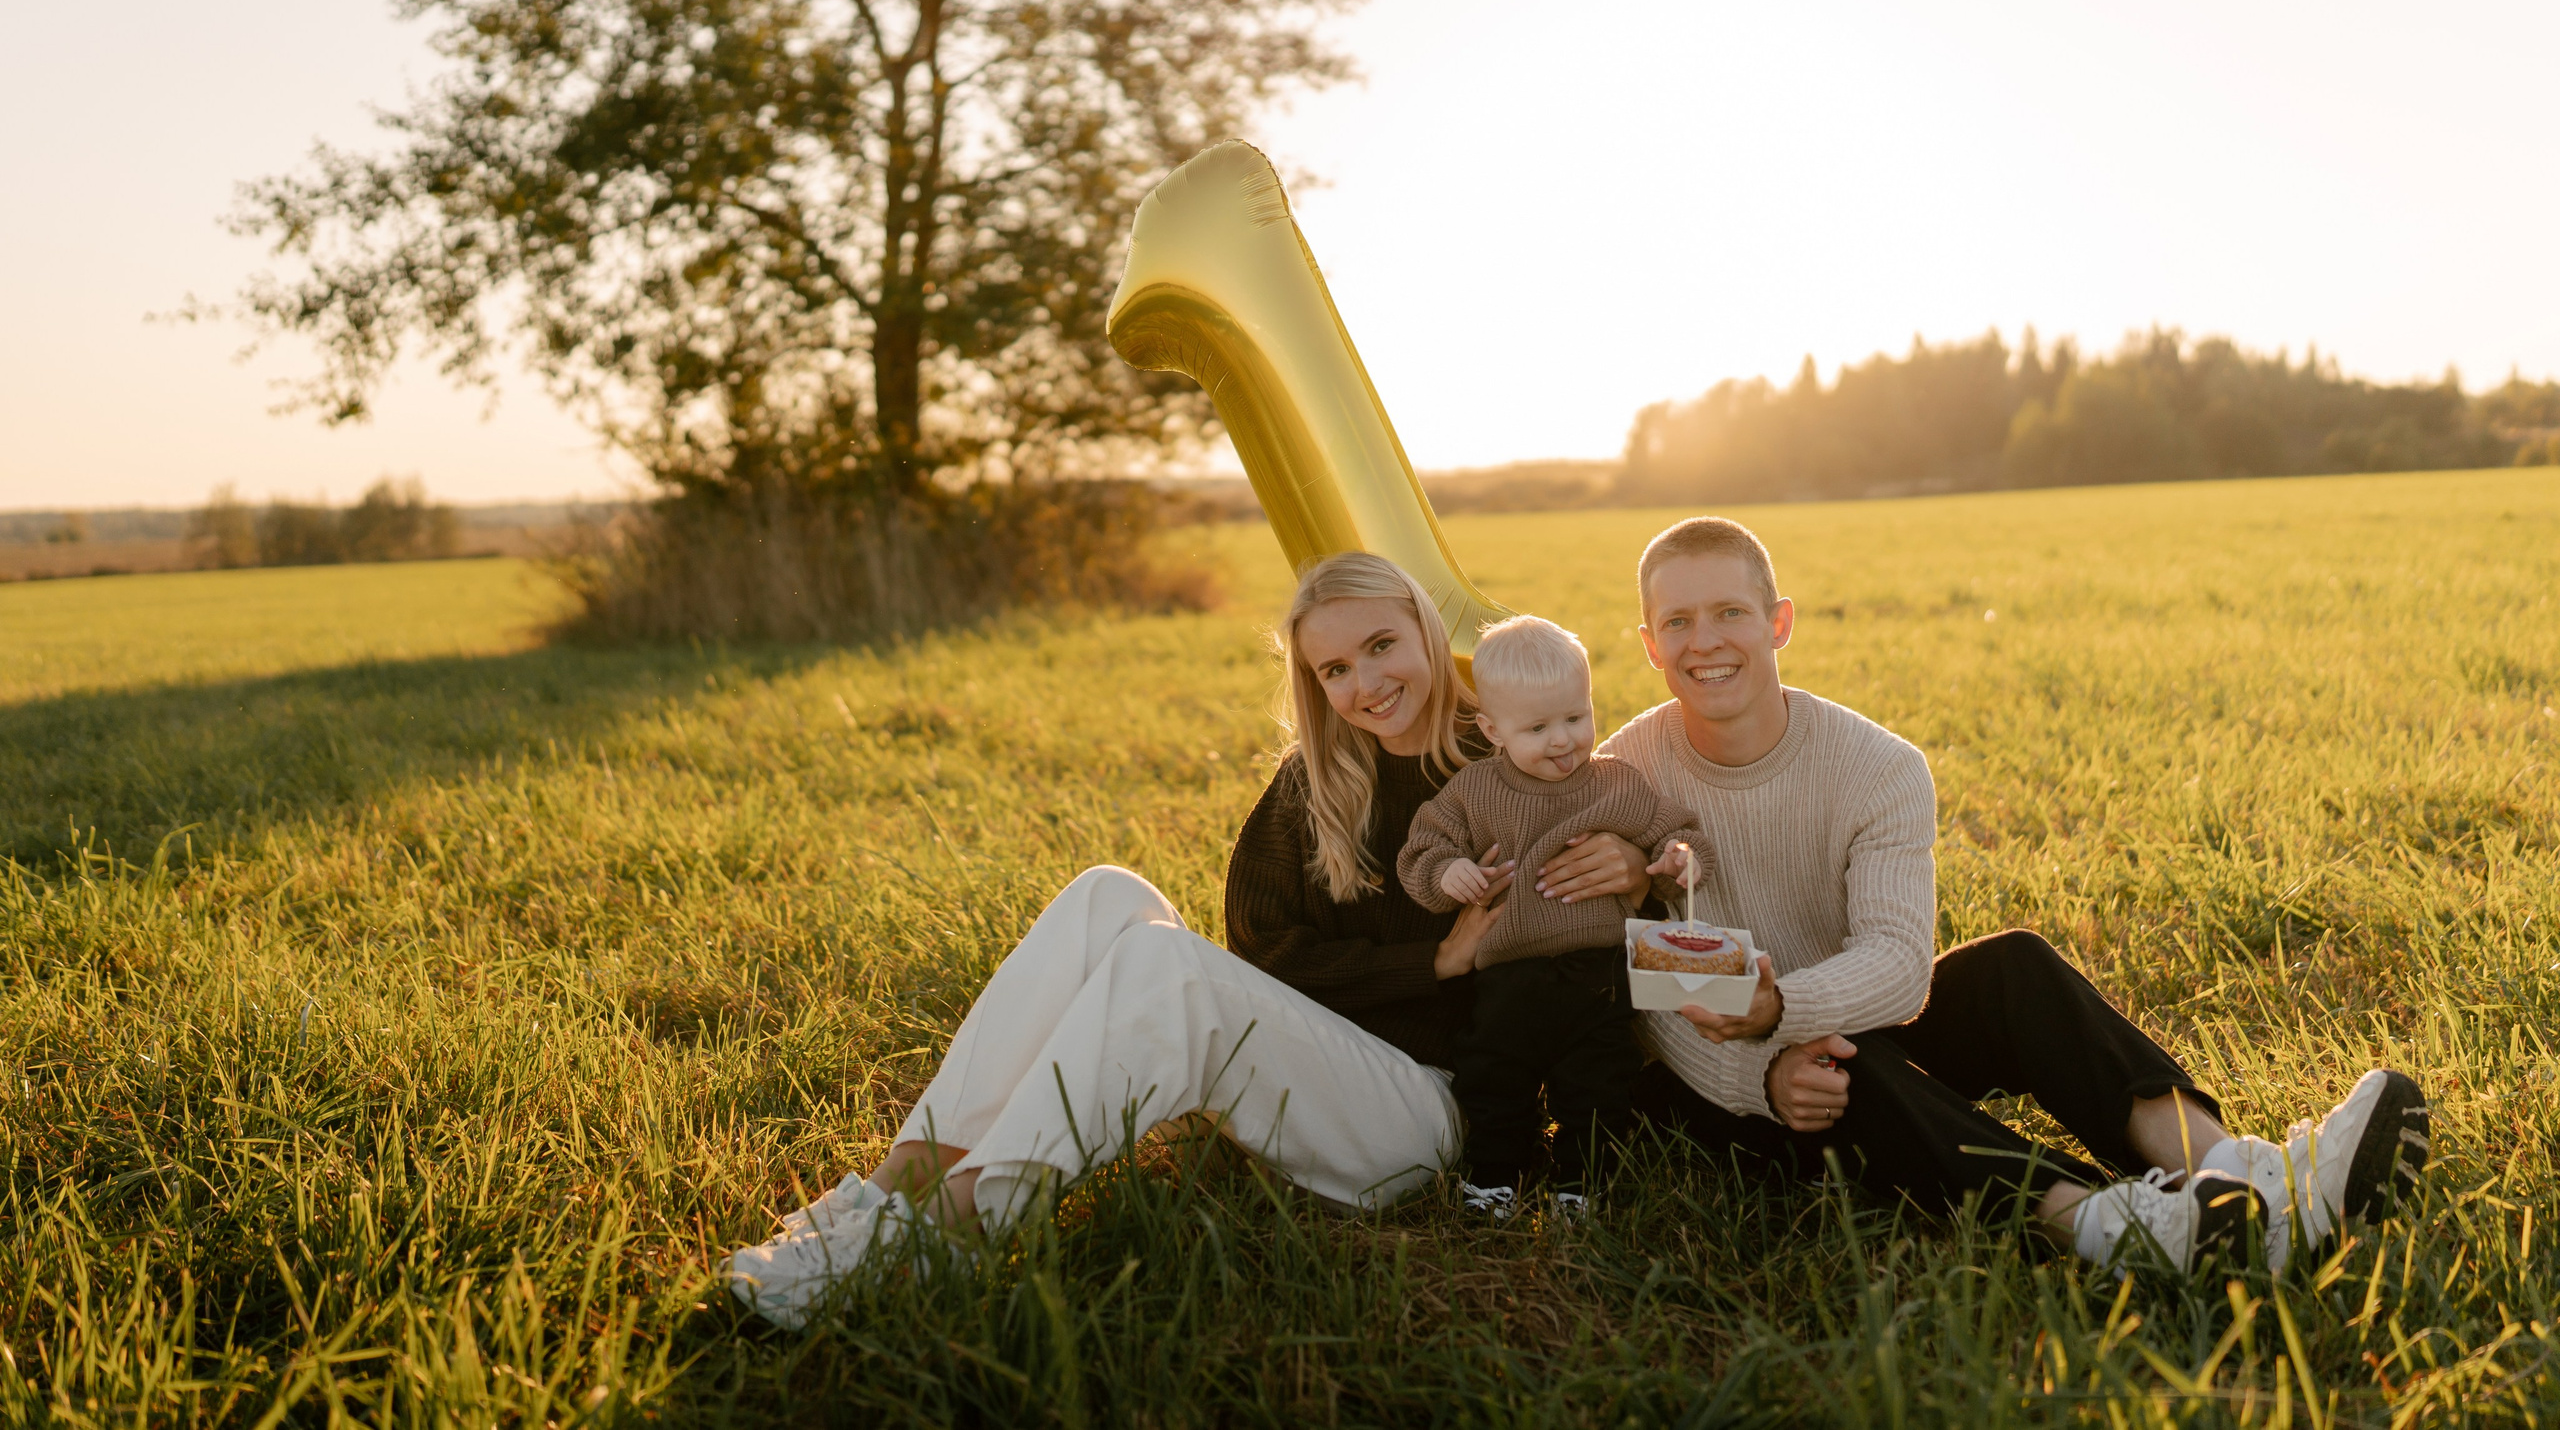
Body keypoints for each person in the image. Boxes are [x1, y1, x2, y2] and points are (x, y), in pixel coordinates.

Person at [725, 551, 1668, 1326]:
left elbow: (1599, 933)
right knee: (1109, 893)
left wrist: (1629, 871)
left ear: (1426, 630)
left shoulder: (1516, 762)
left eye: (1382, 645)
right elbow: (1265, 959)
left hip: (1433, 1111)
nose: (1365, 683)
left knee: (1165, 963)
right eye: (1334, 669)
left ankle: (960, 1228)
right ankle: (898, 1187)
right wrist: (1427, 956)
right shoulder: (1314, 785)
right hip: (1321, 1074)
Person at [1586, 515, 2430, 1274]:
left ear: (1779, 622)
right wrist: (1762, 1077)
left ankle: (2242, 1176)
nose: (1706, 641)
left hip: (1817, 1017)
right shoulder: (1621, 780)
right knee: (1853, 1063)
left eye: (1730, 611)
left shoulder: (1875, 765)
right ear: (1651, 646)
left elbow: (1895, 967)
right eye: (1678, 622)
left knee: (2011, 967)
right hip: (1730, 1091)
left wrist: (1783, 1008)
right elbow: (1644, 997)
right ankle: (2107, 1225)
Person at [1394, 614, 1705, 1213]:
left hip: (1600, 976)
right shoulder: (1475, 792)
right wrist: (1445, 873)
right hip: (1510, 977)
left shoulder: (1616, 785)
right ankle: (1493, 1177)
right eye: (1537, 727)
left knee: (1598, 1087)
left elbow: (1674, 831)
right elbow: (1423, 850)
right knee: (1493, 1079)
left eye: (1575, 717)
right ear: (1493, 729)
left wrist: (1677, 859)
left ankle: (1581, 1185)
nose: (1562, 740)